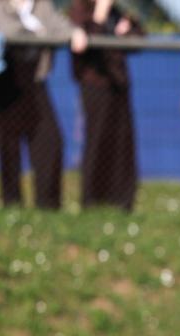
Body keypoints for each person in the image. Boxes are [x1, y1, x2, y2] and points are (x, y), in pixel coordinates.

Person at [0, 0, 88, 209]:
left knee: (50, 142)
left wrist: (74, 32)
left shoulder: (42, 5)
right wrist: (41, 33)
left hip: (34, 82)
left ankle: (48, 205)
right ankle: (12, 204)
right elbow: (6, 31)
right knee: (8, 148)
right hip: (5, 83)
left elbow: (60, 27)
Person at [69, 0, 143, 212]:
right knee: (96, 140)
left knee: (122, 142)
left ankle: (122, 201)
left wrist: (125, 31)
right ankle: (90, 200)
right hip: (95, 83)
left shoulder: (118, 12)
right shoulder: (81, 9)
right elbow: (84, 42)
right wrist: (100, 15)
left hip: (119, 84)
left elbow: (139, 37)